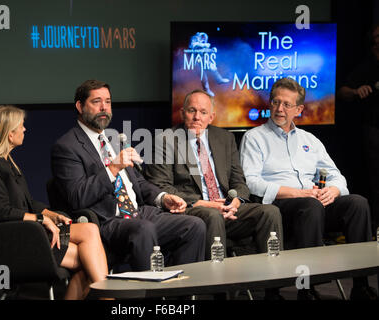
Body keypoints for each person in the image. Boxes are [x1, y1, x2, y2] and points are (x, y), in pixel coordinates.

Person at [240, 78, 377, 300]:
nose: (279, 109)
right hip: (280, 207)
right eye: (275, 102)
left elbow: (337, 176)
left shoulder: (310, 140)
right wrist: (296, 192)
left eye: (286, 104)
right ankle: (306, 288)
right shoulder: (254, 138)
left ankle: (361, 284)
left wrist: (333, 191)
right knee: (310, 204)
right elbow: (251, 182)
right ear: (269, 103)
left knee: (357, 203)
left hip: (313, 205)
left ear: (299, 109)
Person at [50, 80, 206, 272]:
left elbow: (138, 183)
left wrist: (163, 198)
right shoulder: (67, 147)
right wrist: (113, 168)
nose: (103, 108)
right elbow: (77, 197)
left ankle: (180, 295)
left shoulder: (113, 139)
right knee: (143, 229)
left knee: (194, 225)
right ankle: (148, 295)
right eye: (96, 102)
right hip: (107, 220)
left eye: (108, 102)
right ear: (80, 106)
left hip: (139, 212)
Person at [144, 89, 283, 299]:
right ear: (182, 113)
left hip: (227, 208)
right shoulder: (166, 140)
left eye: (202, 112)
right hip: (193, 210)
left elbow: (239, 181)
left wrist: (235, 201)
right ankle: (221, 292)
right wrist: (207, 204)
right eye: (191, 111)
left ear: (211, 117)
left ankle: (273, 291)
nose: (196, 117)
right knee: (213, 215)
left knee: (270, 212)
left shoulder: (224, 138)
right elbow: (161, 186)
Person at [0, 105, 108, 300]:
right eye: (21, 126)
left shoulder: (8, 163)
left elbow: (28, 202)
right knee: (89, 261)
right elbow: (0, 212)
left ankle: (107, 296)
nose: (25, 129)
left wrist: (51, 214)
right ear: (9, 134)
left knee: (90, 230)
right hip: (13, 241)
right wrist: (41, 219)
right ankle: (109, 298)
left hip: (27, 233)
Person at [338, 24, 379, 233]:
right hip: (374, 129)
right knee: (375, 180)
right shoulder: (368, 67)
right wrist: (356, 91)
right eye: (376, 38)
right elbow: (343, 91)